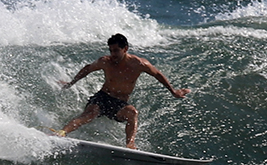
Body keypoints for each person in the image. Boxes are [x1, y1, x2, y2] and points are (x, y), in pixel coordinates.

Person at [57, 33, 190, 149]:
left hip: (119, 103)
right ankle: (62, 132)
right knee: (91, 113)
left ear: (125, 49)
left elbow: (157, 74)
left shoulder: (139, 64)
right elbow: (87, 69)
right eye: (111, 51)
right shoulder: (105, 62)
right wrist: (70, 83)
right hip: (103, 97)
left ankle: (130, 144)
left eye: (116, 50)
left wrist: (173, 91)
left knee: (132, 113)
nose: (113, 54)